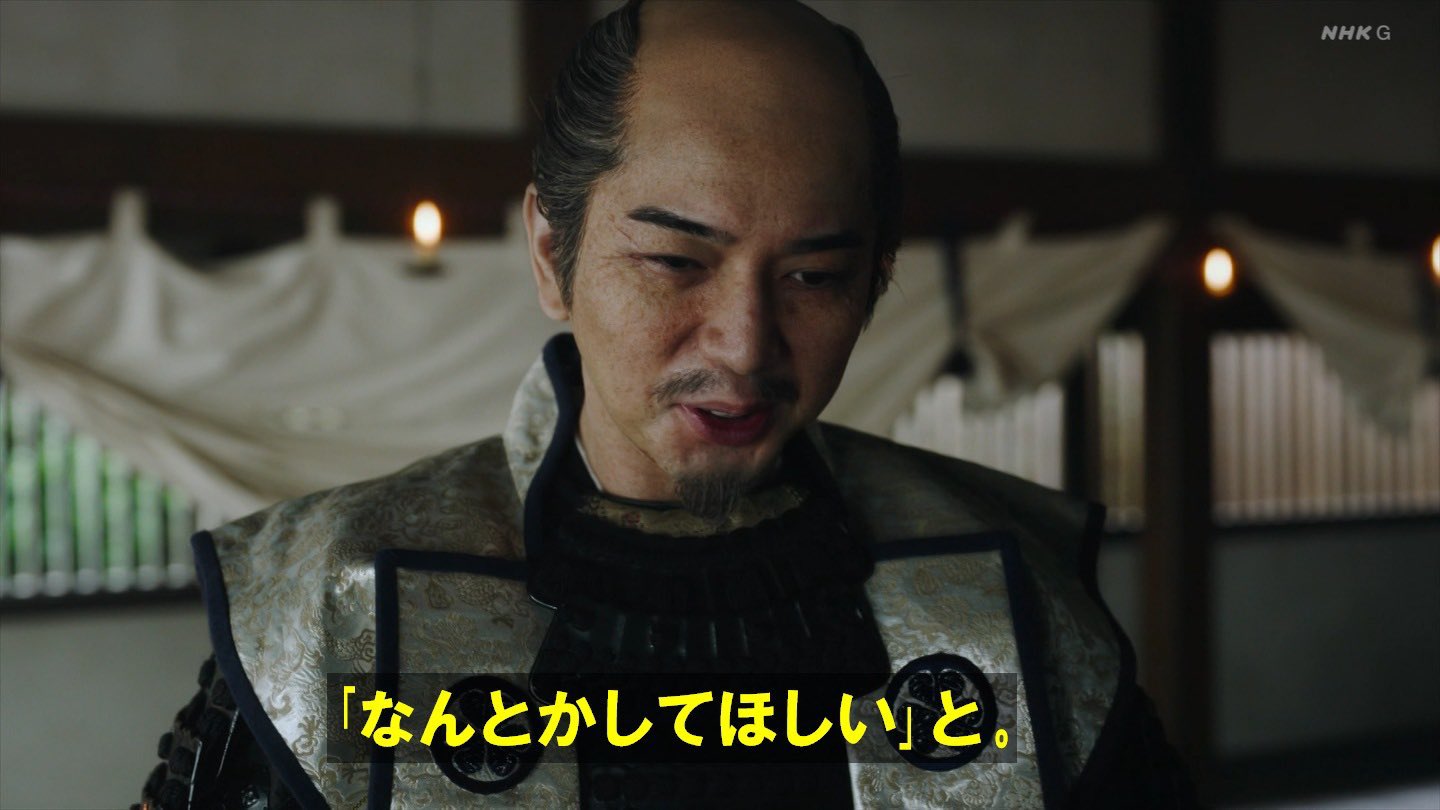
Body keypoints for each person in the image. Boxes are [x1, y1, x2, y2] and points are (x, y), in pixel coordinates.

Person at [140, 1, 1194, 808]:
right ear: (551, 252)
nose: (744, 345)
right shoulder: (338, 600)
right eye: (675, 262)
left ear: (877, 277)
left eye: (815, 276)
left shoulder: (1011, 592)